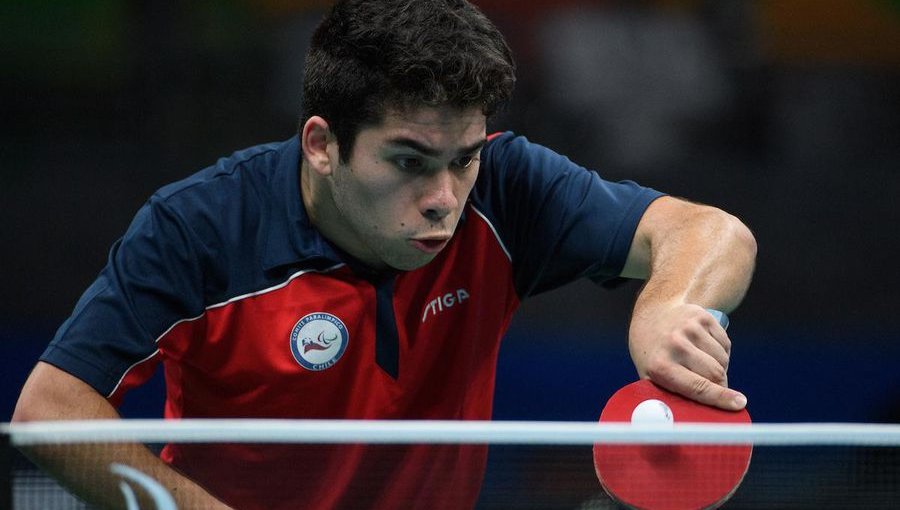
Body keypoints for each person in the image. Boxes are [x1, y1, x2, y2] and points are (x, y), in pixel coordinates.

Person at [12, 0, 756, 508]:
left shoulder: (505, 187)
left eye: (462, 159)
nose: (444, 197)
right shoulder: (202, 227)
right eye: (408, 162)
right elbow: (51, 410)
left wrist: (671, 304)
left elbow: (711, 231)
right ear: (322, 145)